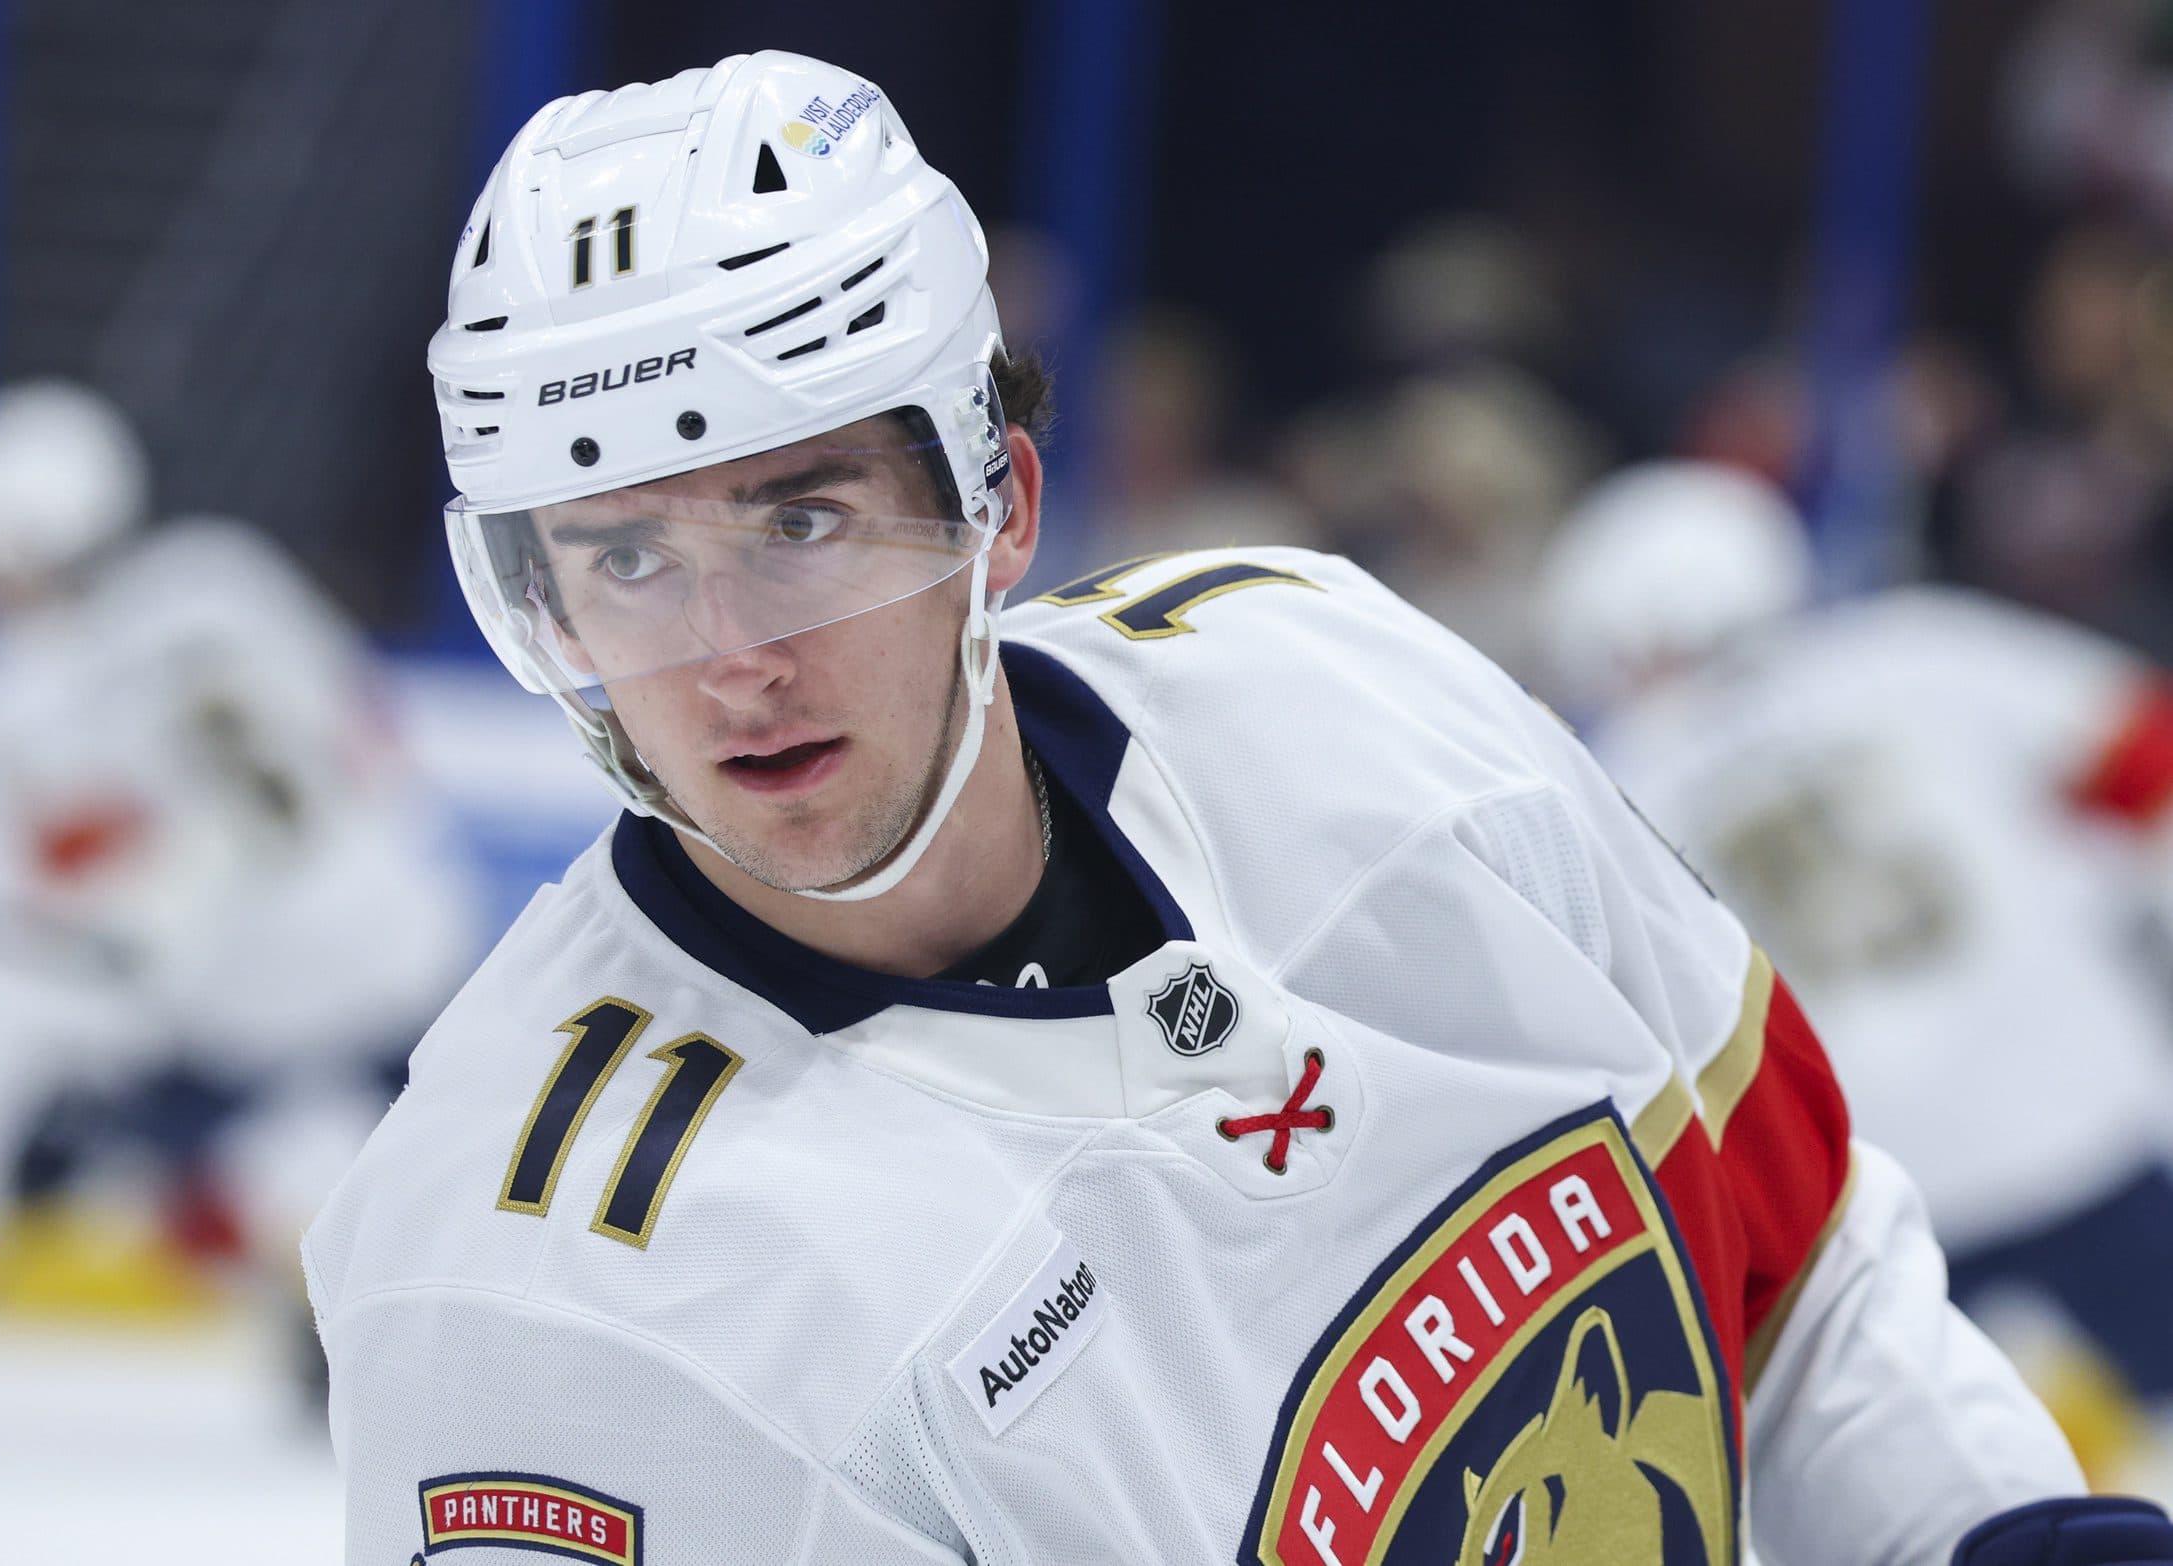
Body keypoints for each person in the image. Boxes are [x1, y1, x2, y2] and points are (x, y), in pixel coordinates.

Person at [305, 53, 2171, 1565]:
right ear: (536, 602)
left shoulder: (1339, 698)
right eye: (623, 558)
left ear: (999, 508)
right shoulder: (544, 1299)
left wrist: (1998, 1528)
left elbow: (1788, 1253)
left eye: (801, 522)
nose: (726, 660)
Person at [1542, 458, 2173, 1497]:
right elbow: (2140, 757)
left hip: (1867, 1196)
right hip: (2079, 1121)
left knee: (1968, 1494)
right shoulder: (1912, 650)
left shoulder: (1622, 778)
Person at [0, 379, 480, 1274]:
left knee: (176, 1169)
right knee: (470, 1172)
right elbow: (370, 741)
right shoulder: (221, 577)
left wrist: (88, 1083)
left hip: (238, 997)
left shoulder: (23, 702)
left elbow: (102, 913)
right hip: (391, 936)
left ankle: (290, 1324)